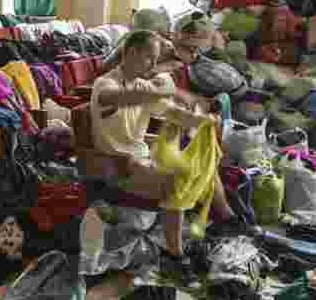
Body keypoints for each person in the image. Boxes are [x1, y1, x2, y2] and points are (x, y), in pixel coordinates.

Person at [91, 30, 236, 275]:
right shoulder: (105, 85)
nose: (153, 64)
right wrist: (163, 90)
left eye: (155, 59)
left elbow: (172, 112)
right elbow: (123, 97)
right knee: (176, 182)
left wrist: (201, 120)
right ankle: (174, 254)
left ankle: (230, 220)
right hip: (117, 164)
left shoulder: (141, 85)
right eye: (149, 58)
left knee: (204, 168)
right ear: (131, 52)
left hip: (140, 157)